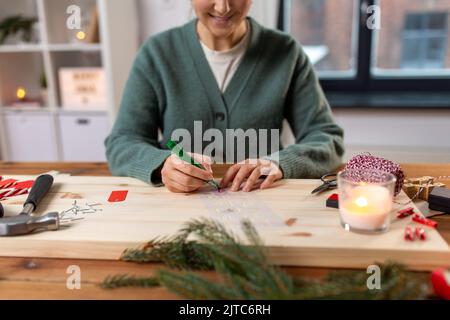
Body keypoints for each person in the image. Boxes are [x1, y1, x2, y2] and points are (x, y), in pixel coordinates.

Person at [105, 0, 344, 193]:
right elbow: (122, 142)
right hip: (177, 207)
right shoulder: (157, 53)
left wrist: (278, 163)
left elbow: (327, 138)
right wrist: (162, 165)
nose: (223, 7)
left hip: (265, 201)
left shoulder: (286, 53)